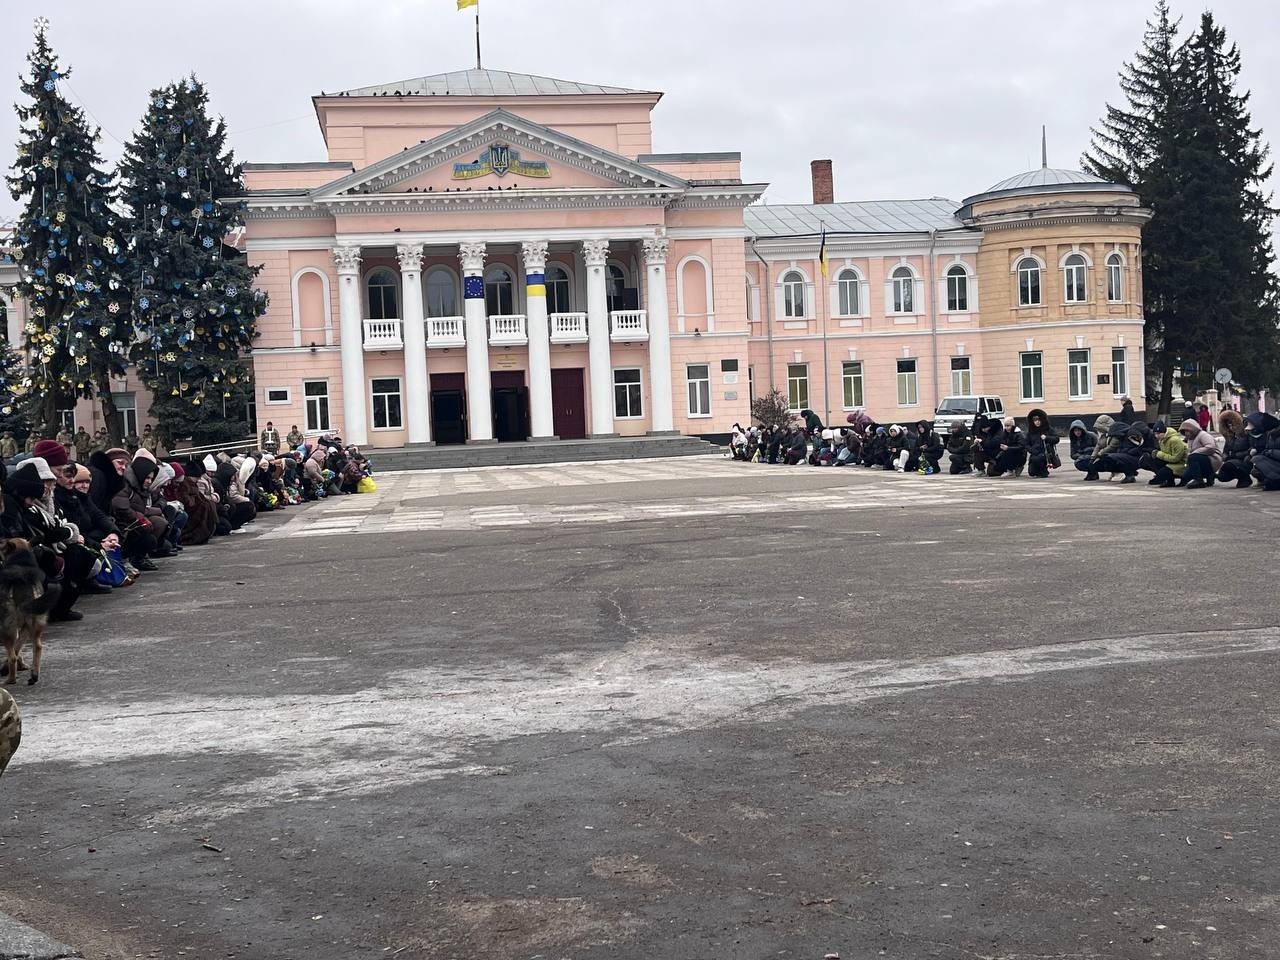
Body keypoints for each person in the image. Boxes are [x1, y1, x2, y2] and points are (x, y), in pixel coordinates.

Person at [1178, 417, 1223, 488]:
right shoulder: (1191, 439)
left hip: (1213, 459)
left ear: (1193, 429)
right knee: (1186, 476)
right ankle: (1210, 476)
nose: (1186, 433)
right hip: (1201, 460)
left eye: (1187, 431)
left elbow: (1211, 447)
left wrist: (1196, 452)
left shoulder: (1203, 435)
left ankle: (1199, 481)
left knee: (1193, 457)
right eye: (1184, 431)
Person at [1216, 410, 1254, 488]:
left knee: (1230, 466)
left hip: (1244, 459)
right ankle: (1242, 477)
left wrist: (1236, 455)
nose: (1231, 427)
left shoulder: (1246, 434)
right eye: (1228, 425)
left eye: (1232, 425)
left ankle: (1244, 478)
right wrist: (1224, 455)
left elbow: (1251, 449)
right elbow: (1226, 450)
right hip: (1232, 460)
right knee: (1222, 476)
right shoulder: (1230, 436)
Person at [1144, 421, 1187, 487]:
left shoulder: (1174, 440)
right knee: (1155, 461)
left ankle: (1183, 478)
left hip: (1182, 464)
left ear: (1164, 432)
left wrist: (1159, 454)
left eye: (1158, 433)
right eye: (1155, 434)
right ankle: (1169, 481)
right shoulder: (1162, 440)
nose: (1156, 436)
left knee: (1162, 473)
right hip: (1171, 462)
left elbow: (1176, 458)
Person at [1244, 411, 1280, 490]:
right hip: (1273, 460)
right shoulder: (1270, 435)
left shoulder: (1268, 434)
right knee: (1254, 460)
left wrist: (1270, 452)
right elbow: (1266, 448)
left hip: (1275, 460)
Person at [1024, 409, 1059, 478]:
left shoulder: (1048, 429)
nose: (1037, 422)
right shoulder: (1031, 431)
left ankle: (1044, 471)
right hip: (1034, 453)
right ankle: (1039, 470)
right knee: (1031, 472)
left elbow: (1056, 439)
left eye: (1039, 420)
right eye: (1035, 420)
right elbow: (1026, 444)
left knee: (1039, 460)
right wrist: (1031, 450)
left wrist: (1047, 438)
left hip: (1045, 454)